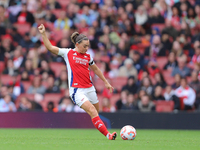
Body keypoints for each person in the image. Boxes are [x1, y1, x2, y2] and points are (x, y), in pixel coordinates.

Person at [38, 24, 117, 140]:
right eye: (85, 46)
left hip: (90, 88)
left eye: (88, 46)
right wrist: (43, 34)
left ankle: (101, 129)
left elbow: (95, 69)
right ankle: (108, 135)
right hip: (77, 90)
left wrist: (105, 82)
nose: (86, 49)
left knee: (96, 113)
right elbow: (50, 47)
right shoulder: (67, 53)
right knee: (92, 111)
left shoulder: (88, 57)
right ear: (77, 44)